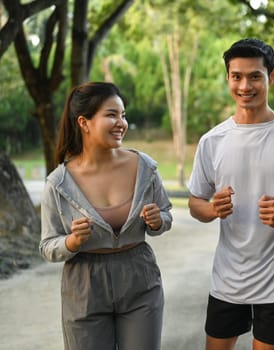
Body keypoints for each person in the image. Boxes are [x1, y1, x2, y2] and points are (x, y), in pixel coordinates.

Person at [187, 38, 274, 350]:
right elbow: (195, 202)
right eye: (236, 76)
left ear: (271, 77)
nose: (244, 85)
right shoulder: (213, 140)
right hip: (228, 278)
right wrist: (211, 210)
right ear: (228, 78)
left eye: (255, 76)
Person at [39, 82, 173, 350]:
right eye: (111, 115)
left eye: (123, 115)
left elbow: (166, 213)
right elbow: (47, 245)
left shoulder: (144, 166)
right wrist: (71, 242)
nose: (121, 123)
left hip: (140, 277)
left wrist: (159, 221)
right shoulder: (59, 182)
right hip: (84, 285)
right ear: (84, 122)